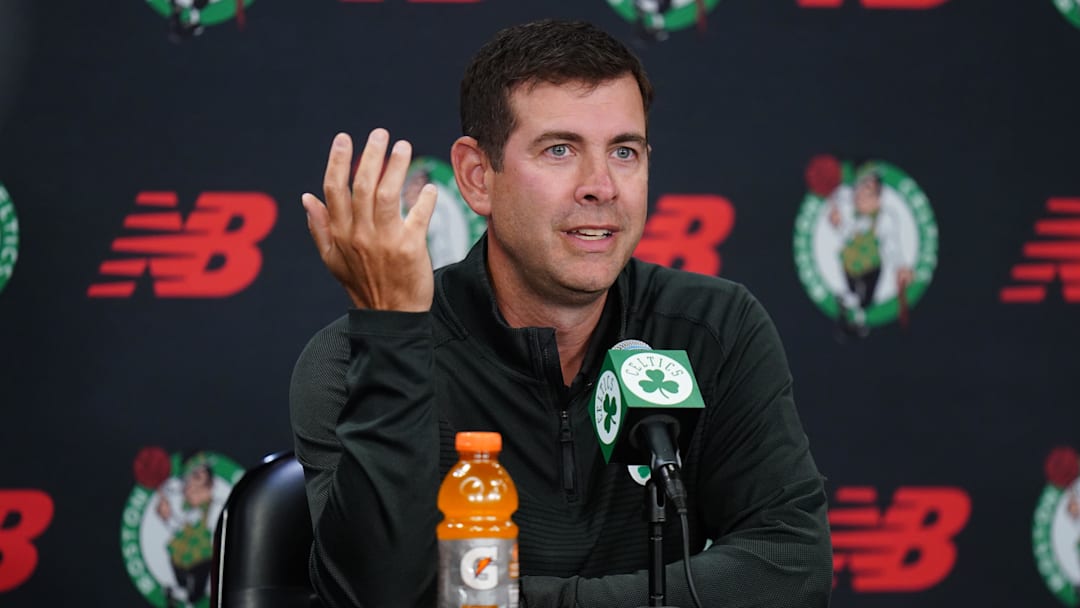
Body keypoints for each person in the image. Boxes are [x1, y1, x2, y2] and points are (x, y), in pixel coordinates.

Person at [290, 18, 831, 608]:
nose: (601, 186)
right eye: (559, 150)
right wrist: (392, 333)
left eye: (625, 151)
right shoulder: (351, 359)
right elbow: (379, 598)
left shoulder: (714, 328)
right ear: (477, 177)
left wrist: (496, 602)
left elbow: (789, 568)